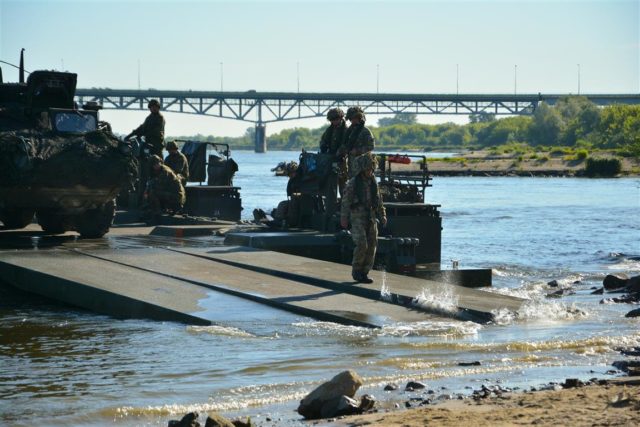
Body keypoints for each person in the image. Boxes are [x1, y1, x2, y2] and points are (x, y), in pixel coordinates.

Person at [340, 152, 386, 283]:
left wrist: (382, 215)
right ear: (362, 169)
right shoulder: (353, 183)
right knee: (361, 244)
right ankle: (356, 271)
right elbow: (345, 202)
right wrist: (344, 218)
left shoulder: (373, 183)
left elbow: (379, 201)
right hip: (357, 217)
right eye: (367, 169)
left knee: (372, 245)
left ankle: (364, 272)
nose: (369, 171)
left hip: (371, 217)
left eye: (371, 169)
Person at [319, 108, 348, 226]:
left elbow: (347, 144)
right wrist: (323, 147)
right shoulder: (330, 130)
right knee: (331, 189)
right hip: (331, 162)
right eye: (331, 120)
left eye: (335, 119)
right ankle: (330, 213)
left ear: (341, 118)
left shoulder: (346, 130)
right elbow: (323, 140)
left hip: (342, 163)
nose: (334, 122)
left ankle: (345, 213)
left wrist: (339, 152)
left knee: (343, 189)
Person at [145, 155, 186, 219]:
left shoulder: (165, 171)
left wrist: (148, 190)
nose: (157, 165)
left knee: (153, 192)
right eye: (154, 164)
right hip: (170, 193)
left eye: (158, 163)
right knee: (150, 192)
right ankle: (157, 209)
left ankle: (158, 211)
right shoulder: (157, 171)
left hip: (176, 196)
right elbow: (151, 182)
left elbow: (159, 186)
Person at [344, 106, 375, 178]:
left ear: (359, 118)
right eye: (351, 119)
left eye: (354, 118)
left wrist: (358, 151)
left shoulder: (365, 131)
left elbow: (371, 146)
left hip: (362, 164)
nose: (353, 120)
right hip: (351, 164)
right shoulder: (349, 131)